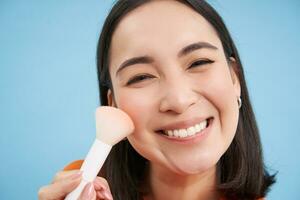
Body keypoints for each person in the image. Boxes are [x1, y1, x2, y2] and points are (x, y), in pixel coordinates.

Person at [38, 0, 277, 199]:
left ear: (235, 78)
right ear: (114, 105)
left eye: (199, 63)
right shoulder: (80, 188)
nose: (179, 100)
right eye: (141, 77)